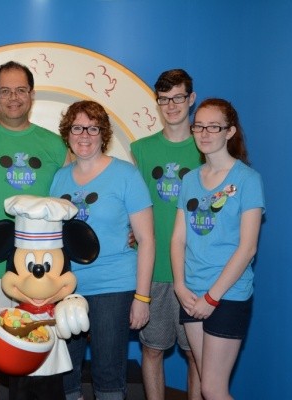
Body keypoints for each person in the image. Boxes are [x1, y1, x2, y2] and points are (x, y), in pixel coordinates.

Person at [0, 60, 69, 400]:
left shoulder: (54, 145)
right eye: (5, 91)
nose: (13, 97)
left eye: (21, 90)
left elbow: (78, 195)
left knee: (31, 349)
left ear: (32, 94)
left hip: (37, 274)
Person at [50, 100, 155, 400]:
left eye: (93, 128)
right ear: (67, 133)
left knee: (108, 374)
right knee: (64, 374)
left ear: (103, 133)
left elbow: (146, 239)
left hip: (113, 286)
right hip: (66, 289)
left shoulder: (126, 175)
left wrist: (142, 298)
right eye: (77, 128)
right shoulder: (59, 179)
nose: (85, 135)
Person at [171, 98, 265, 400]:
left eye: (214, 126)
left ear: (230, 131)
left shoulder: (248, 180)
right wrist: (180, 286)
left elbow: (247, 248)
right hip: (192, 294)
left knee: (212, 388)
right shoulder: (188, 180)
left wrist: (212, 297)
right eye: (199, 125)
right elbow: (178, 239)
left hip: (228, 295)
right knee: (200, 378)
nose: (204, 133)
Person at [130, 69, 202, 400]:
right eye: (164, 99)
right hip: (154, 270)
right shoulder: (141, 150)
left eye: (177, 97)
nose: (171, 105)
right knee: (152, 351)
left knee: (197, 356)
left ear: (191, 99)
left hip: (196, 274)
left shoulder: (206, 149)